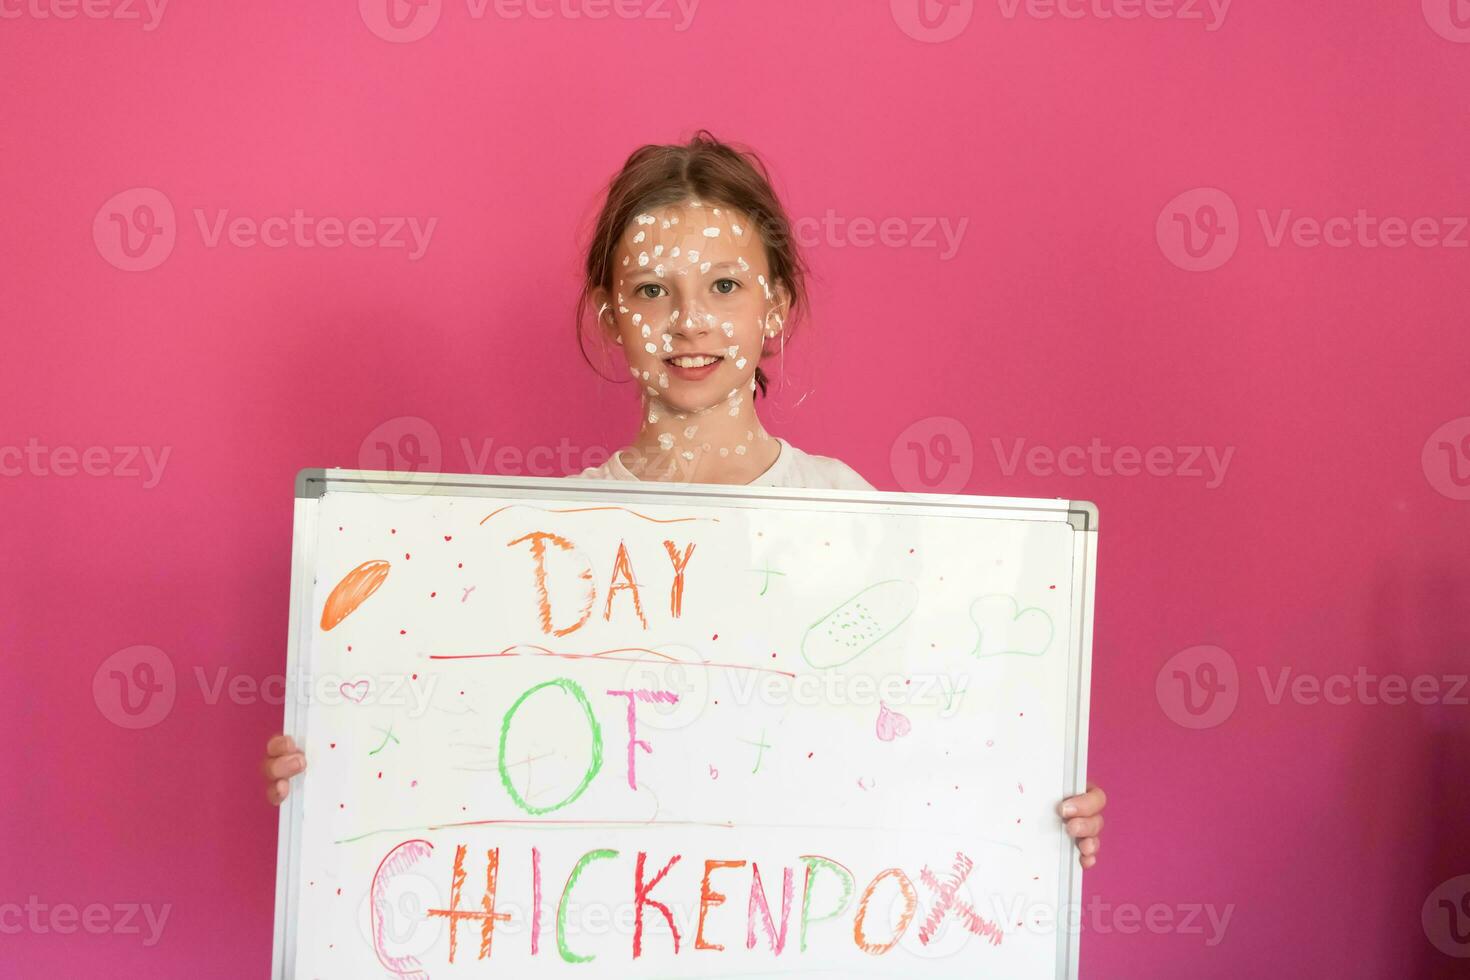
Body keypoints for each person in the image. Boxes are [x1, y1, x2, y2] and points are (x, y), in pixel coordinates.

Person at [262, 132, 1106, 868]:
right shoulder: (544, 538)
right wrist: (335, 774)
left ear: (776, 306)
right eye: (653, 291)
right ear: (611, 316)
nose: (690, 322)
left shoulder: (850, 517)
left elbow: (929, 733)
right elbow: (469, 748)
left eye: (726, 288)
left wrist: (1033, 815)